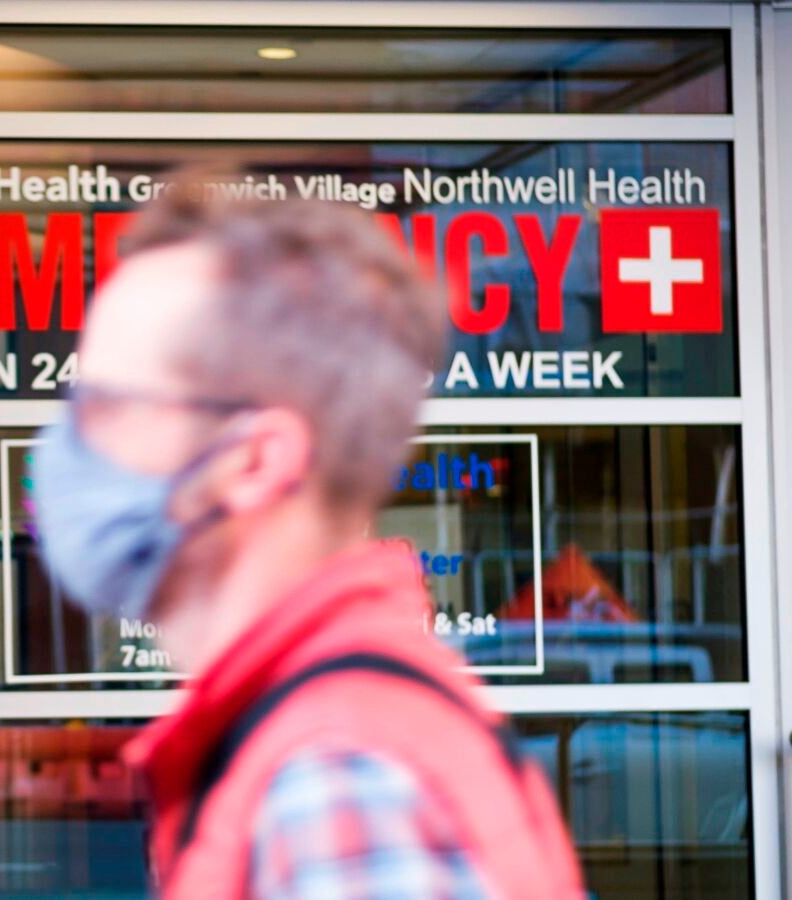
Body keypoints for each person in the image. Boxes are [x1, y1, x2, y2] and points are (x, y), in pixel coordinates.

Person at [31, 183, 584, 899]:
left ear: (254, 462)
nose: (67, 442)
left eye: (110, 404)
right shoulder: (311, 740)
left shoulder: (340, 785)